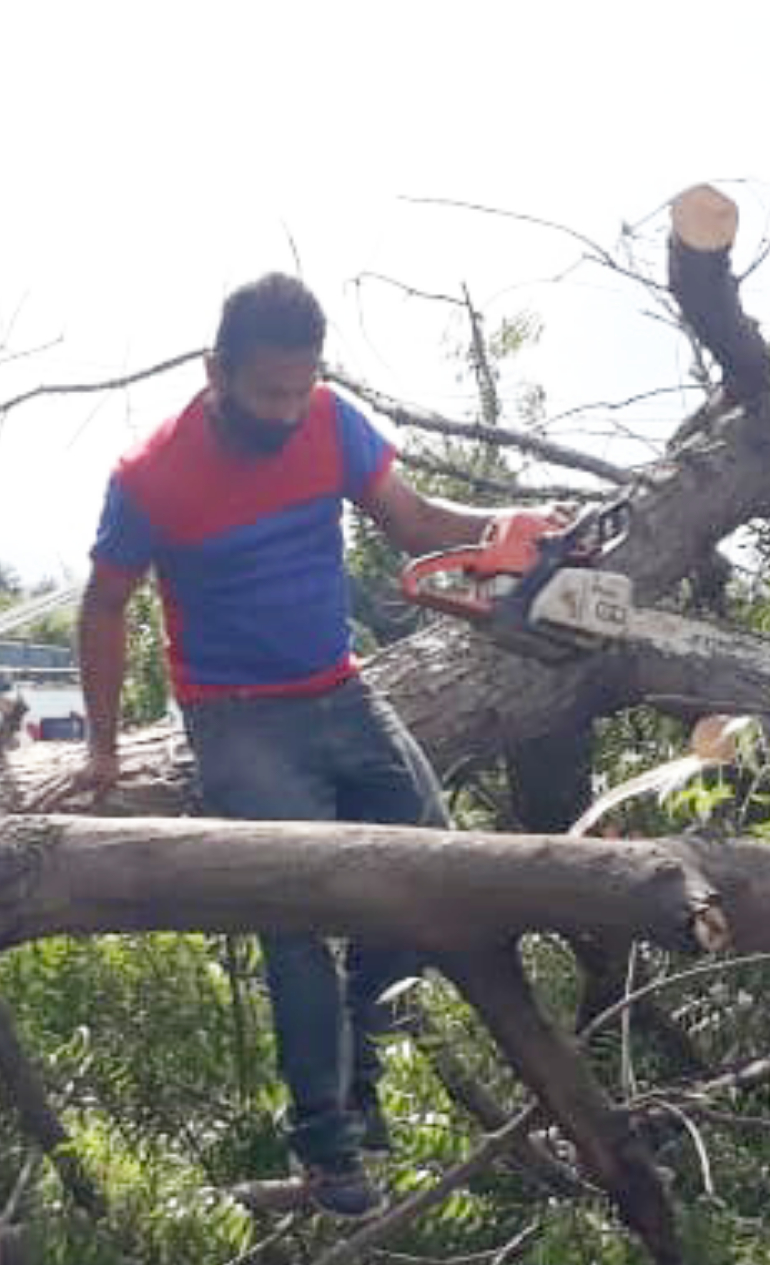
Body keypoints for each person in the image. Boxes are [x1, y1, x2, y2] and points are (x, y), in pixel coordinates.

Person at [77, 272, 553, 1216]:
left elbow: (413, 521)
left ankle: (358, 1057)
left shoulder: (330, 423)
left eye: (301, 389)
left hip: (339, 690)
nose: (288, 411)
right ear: (218, 372)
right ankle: (328, 1148)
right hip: (237, 714)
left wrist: (514, 533)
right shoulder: (150, 477)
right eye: (268, 394)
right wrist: (100, 751)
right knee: (296, 919)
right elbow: (104, 604)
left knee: (440, 869)